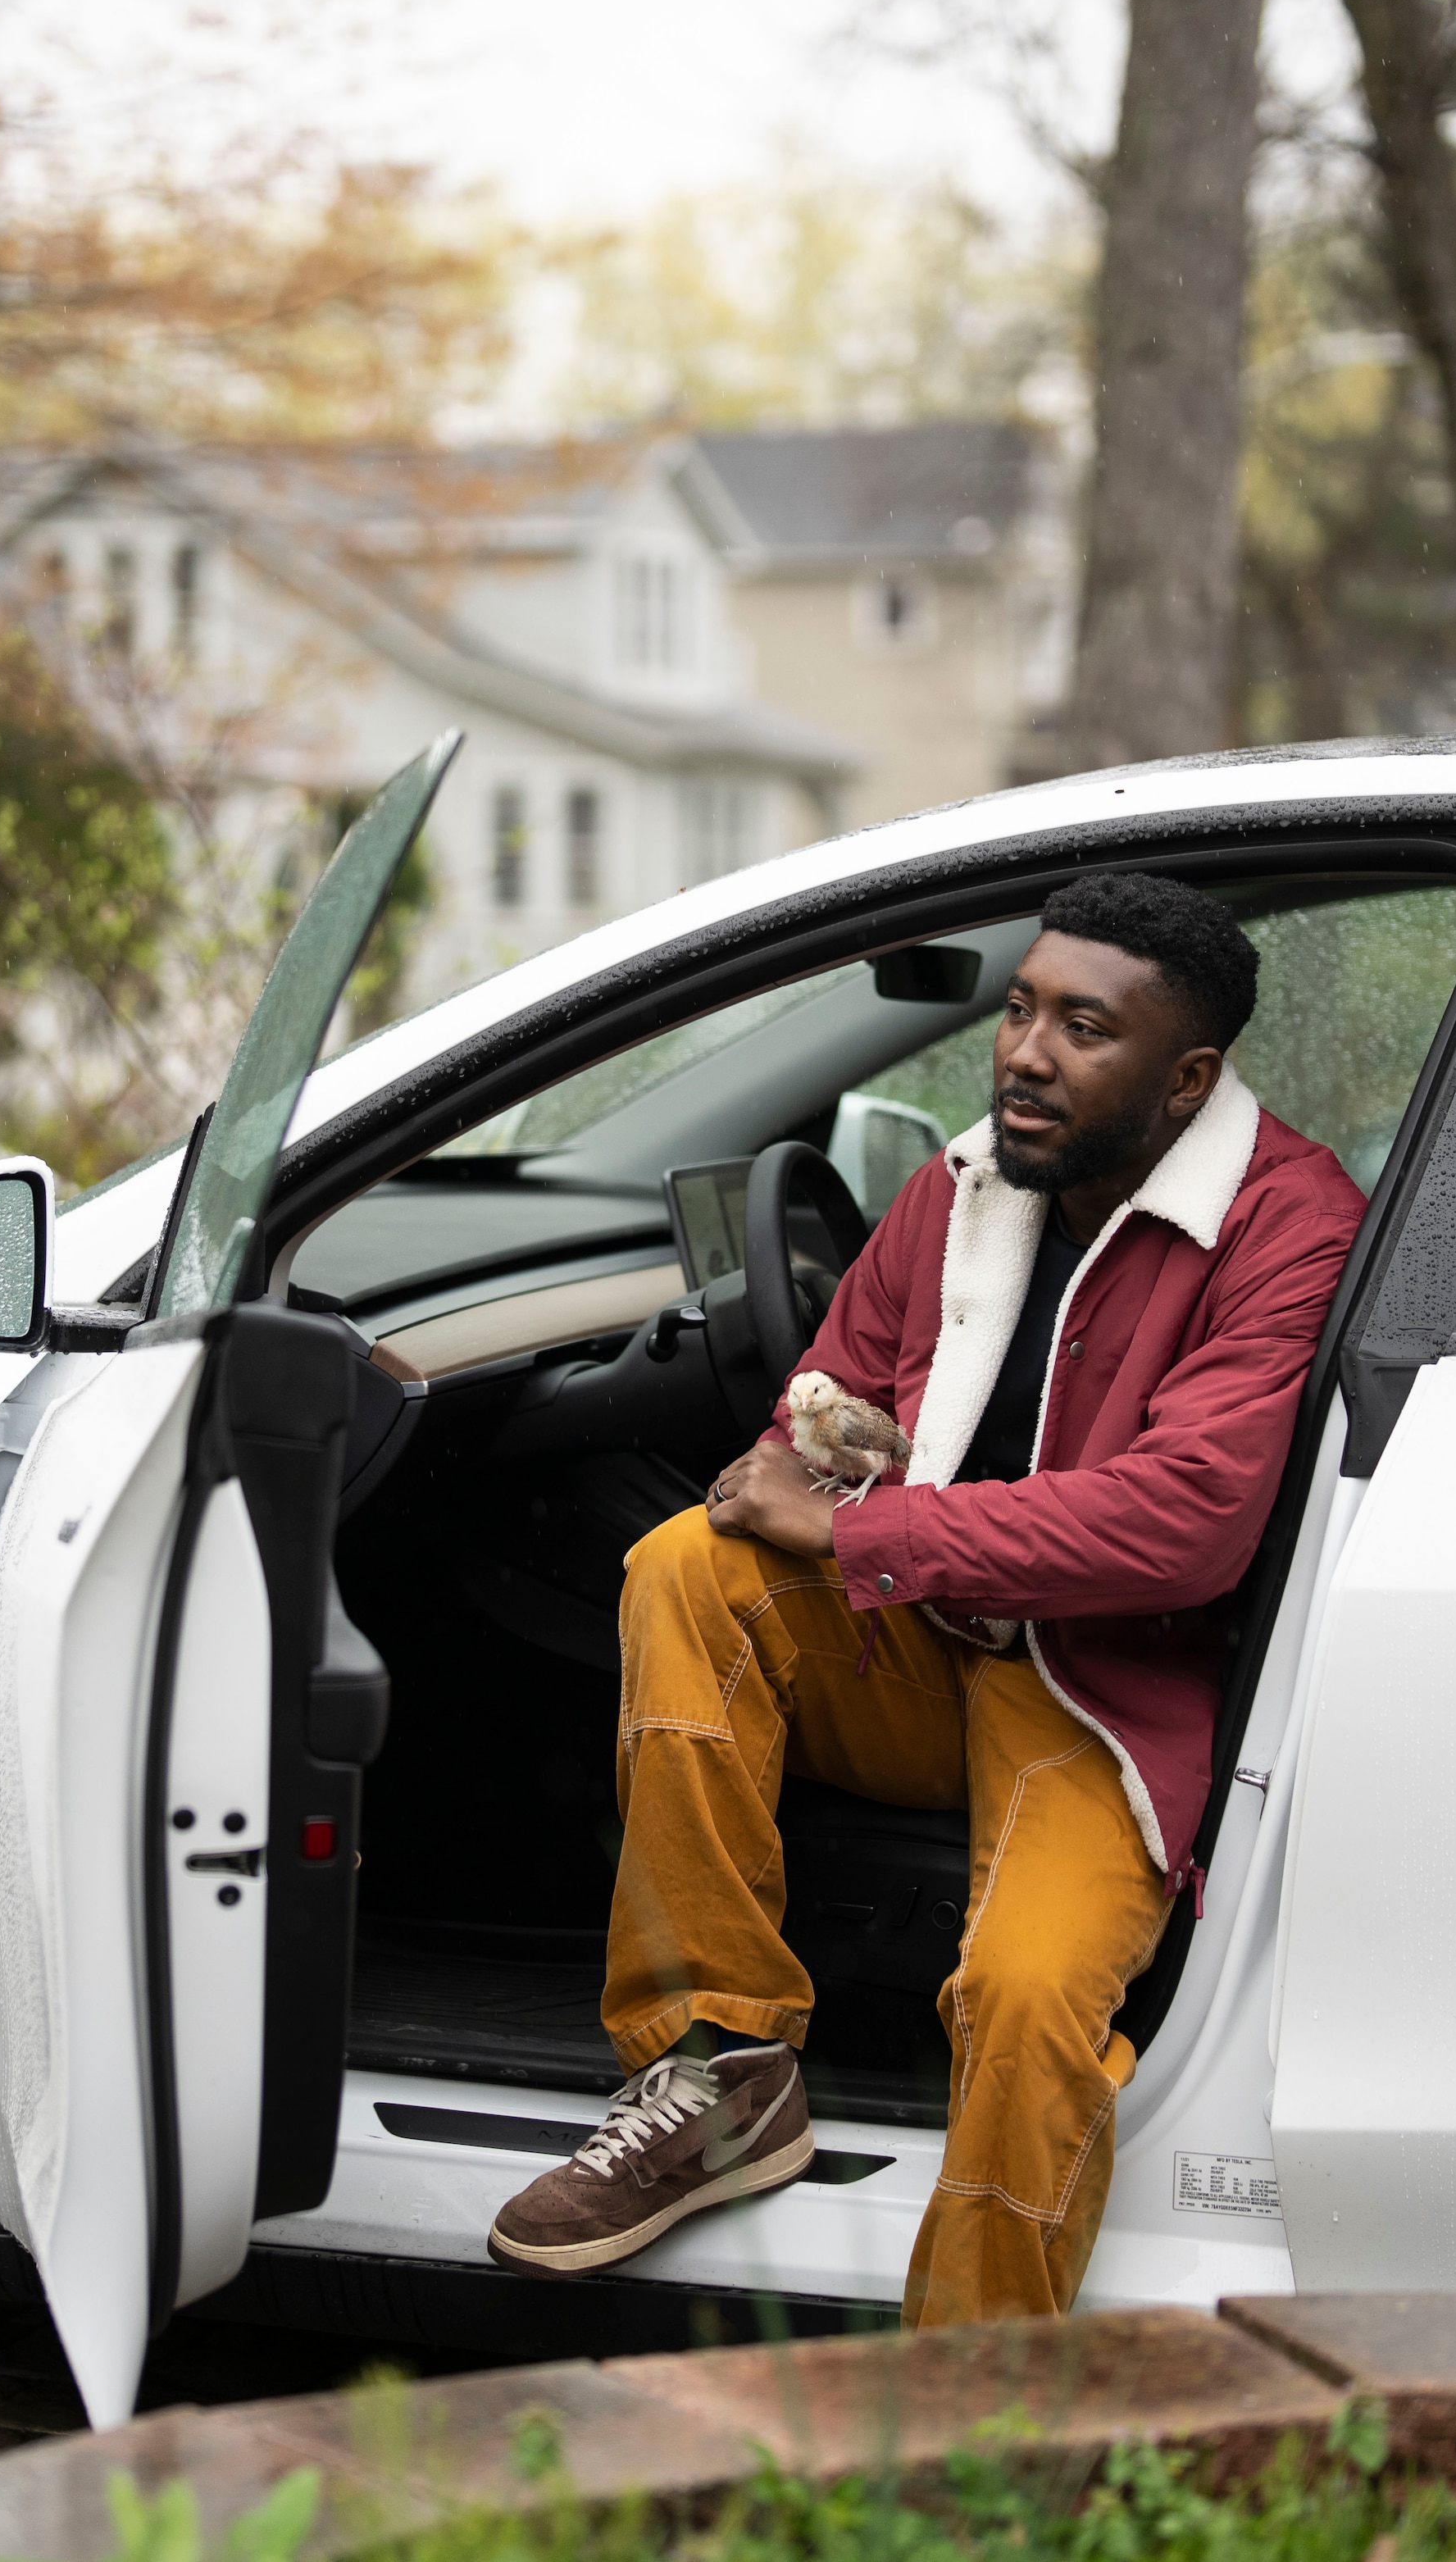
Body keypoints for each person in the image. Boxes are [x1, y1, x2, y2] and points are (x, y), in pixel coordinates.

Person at [486, 871, 1366, 2320]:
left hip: (1096, 1689)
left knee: (1026, 2006)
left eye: (1085, 1030)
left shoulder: (1284, 1221)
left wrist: (869, 1531)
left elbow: (1186, 1524)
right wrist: (816, 1458)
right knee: (686, 1569)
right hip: (919, 1645)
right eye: (1020, 1009)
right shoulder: (960, 1189)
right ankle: (719, 2065)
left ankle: (974, 2419)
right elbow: (832, 1395)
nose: (1024, 1052)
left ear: (1187, 1078)